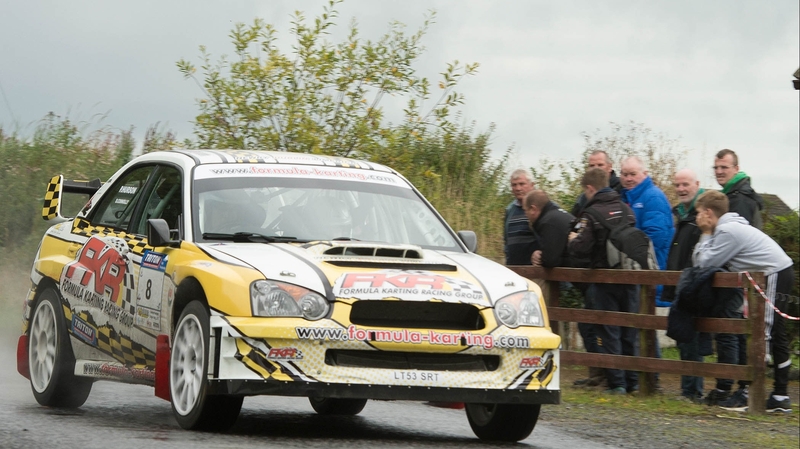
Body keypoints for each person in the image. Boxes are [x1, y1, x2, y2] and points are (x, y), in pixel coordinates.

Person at [693, 191, 794, 413]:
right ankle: (779, 396)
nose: (696, 218)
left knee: (764, 333)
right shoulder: (729, 228)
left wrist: (705, 234)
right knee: (775, 333)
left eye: (699, 213)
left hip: (773, 273)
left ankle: (750, 394)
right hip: (773, 273)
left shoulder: (727, 231)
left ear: (709, 213)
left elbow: (704, 263)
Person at [568, 168, 639, 394]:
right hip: (629, 279)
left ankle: (617, 383)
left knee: (609, 331)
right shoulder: (626, 210)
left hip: (604, 280)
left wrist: (572, 240)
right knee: (630, 331)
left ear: (590, 188)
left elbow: (580, 248)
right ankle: (633, 381)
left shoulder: (590, 214)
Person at [569, 150, 621, 387]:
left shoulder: (617, 196)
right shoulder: (583, 200)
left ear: (609, 167)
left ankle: (617, 379)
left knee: (609, 326)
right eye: (591, 164)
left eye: (599, 164)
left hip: (609, 272)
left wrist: (575, 240)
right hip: (589, 273)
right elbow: (575, 223)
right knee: (589, 323)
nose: (595, 168)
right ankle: (600, 374)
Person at [663, 169, 705, 402]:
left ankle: (693, 392)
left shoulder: (700, 214)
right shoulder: (681, 215)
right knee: (683, 339)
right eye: (677, 185)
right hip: (680, 284)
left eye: (685, 184)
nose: (681, 189)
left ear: (697, 184)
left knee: (691, 340)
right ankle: (689, 389)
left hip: (693, 286)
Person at [714, 149, 764, 229]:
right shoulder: (731, 195)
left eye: (724, 167)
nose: (718, 172)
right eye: (716, 168)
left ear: (736, 169)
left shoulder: (741, 199)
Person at [524, 190, 575, 269]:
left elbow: (550, 260)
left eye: (525, 210)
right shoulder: (556, 215)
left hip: (577, 273)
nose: (525, 215)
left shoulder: (548, 222)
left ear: (533, 209)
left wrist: (542, 258)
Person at [504, 169, 540, 265]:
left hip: (536, 269)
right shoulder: (510, 209)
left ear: (532, 185)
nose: (518, 188)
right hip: (514, 269)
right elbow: (507, 239)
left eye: (522, 184)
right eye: (514, 185)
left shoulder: (541, 207)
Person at [571, 150, 623, 217]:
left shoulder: (622, 188)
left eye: (600, 165)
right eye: (592, 166)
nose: (596, 169)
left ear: (609, 167)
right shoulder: (584, 197)